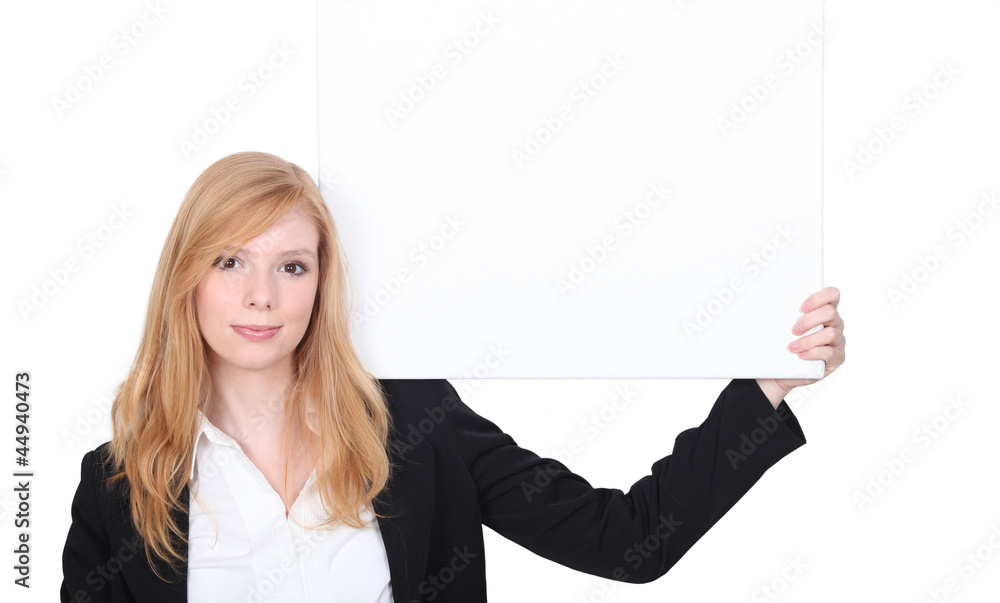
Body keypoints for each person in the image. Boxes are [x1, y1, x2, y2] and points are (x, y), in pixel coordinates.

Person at [60, 151, 846, 602]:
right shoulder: (118, 483)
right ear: (186, 277)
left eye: (291, 265)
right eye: (231, 261)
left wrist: (765, 387)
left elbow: (630, 540)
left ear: (321, 282)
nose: (261, 294)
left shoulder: (413, 424)